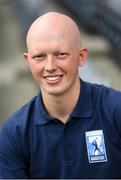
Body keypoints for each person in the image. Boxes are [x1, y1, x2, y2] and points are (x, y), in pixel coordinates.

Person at [0, 11, 121, 179]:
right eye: (39, 57)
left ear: (81, 56)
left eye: (61, 54)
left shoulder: (116, 110)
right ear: (28, 62)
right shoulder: (14, 134)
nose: (50, 66)